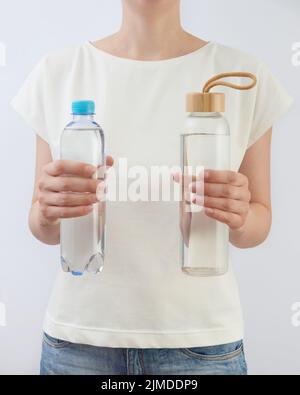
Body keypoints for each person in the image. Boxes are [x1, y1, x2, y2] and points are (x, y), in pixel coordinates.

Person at [11, 0, 293, 375]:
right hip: (79, 342)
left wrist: (239, 216)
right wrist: (47, 210)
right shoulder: (58, 73)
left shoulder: (243, 76)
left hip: (201, 344)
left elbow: (258, 224)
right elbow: (43, 226)